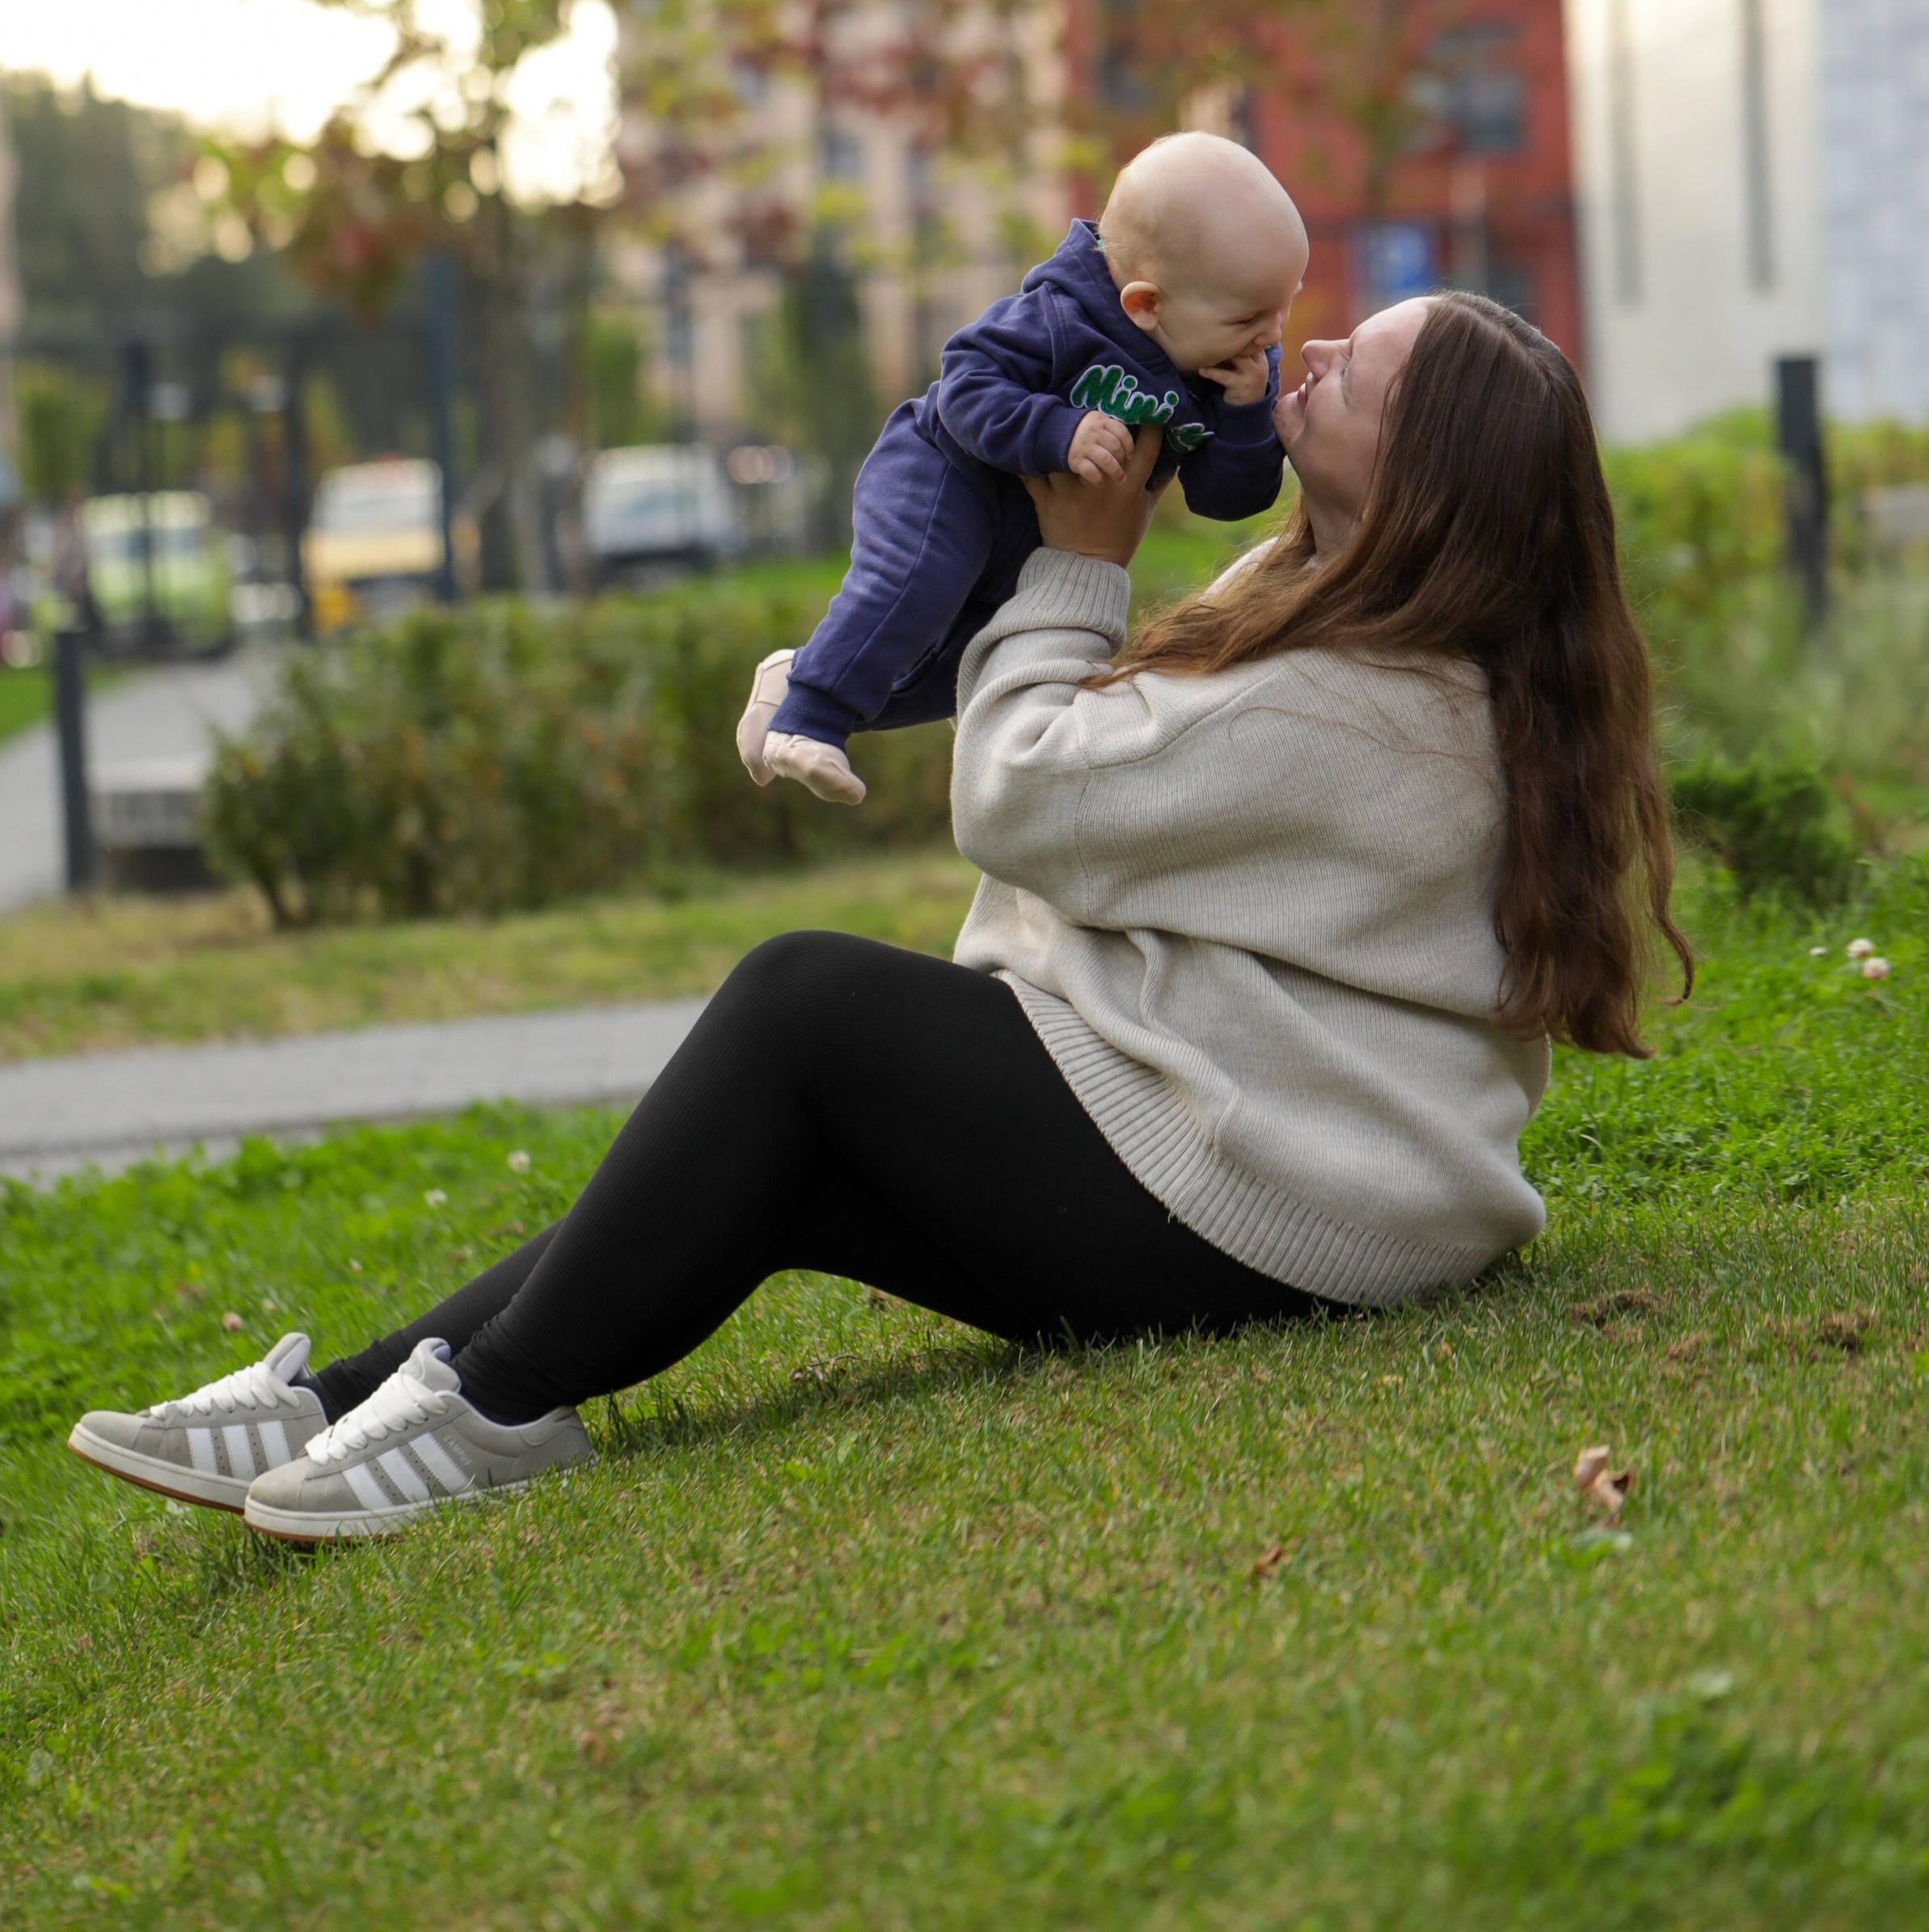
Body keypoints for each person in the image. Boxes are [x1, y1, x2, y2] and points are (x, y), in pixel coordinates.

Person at [68, 292, 1688, 1544]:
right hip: (1298, 1181)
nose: (1309, 355)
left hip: (1282, 1206)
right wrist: (841, 675)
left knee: (806, 1006)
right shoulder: (1364, 640)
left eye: (1357, 375)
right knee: (789, 1168)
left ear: (1424, 481)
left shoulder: (1362, 703)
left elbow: (1034, 795)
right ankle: (352, 1404)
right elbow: (1120, 741)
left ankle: (487, 1412)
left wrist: (1083, 560)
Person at [734, 132, 1307, 802]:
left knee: (972, 665)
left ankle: (799, 680)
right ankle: (808, 718)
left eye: (1284, 306)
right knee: (918, 587)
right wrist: (1057, 430)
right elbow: (965, 385)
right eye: (1250, 317)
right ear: (1146, 304)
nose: (1273, 334)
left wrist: (1244, 417)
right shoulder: (1060, 316)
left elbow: (1226, 499)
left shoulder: (1230, 366)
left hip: (1035, 532)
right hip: (948, 472)